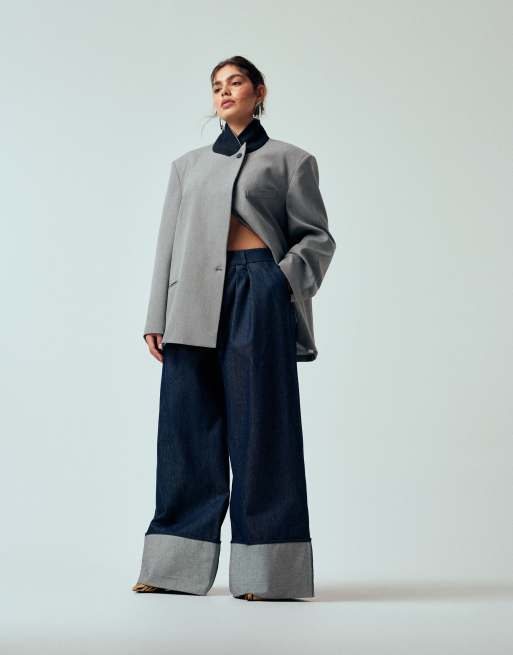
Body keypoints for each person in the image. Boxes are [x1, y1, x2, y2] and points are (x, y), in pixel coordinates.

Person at [132, 55, 336, 601]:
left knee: (262, 427)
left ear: (258, 91)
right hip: (190, 299)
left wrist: (278, 281)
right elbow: (167, 245)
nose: (224, 92)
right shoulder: (187, 166)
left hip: (257, 290)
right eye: (217, 86)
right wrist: (156, 315)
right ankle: (171, 569)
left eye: (236, 82)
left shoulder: (292, 160)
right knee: (186, 430)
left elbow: (317, 238)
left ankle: (268, 575)